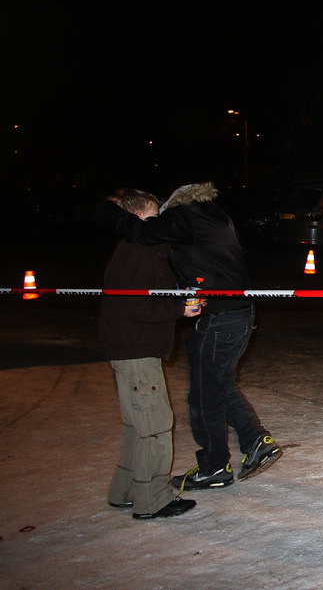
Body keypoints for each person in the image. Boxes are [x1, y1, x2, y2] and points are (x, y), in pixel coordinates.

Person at [95, 181, 282, 493]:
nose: (159, 221)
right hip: (236, 311)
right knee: (217, 382)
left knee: (203, 395)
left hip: (220, 317)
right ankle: (254, 441)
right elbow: (227, 255)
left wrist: (107, 210)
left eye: (160, 214)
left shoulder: (182, 217)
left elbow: (143, 233)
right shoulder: (213, 215)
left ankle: (214, 466)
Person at [100, 189, 201, 520]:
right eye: (156, 215)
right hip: (137, 350)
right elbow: (135, 304)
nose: (162, 223)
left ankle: (125, 491)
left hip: (131, 347)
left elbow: (142, 297)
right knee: (155, 425)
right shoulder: (140, 249)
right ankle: (153, 499)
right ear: (139, 217)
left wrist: (179, 300)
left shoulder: (135, 248)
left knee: (137, 426)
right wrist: (180, 310)